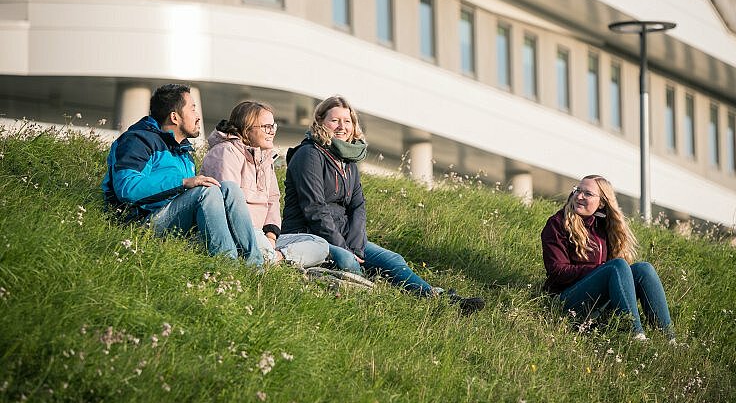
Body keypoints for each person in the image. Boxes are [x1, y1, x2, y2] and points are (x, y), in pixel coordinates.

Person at [281, 95, 485, 314]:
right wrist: (344, 247)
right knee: (349, 261)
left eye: (347, 121)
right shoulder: (309, 154)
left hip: (344, 235)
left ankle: (442, 300)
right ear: (320, 121)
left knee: (392, 259)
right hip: (310, 233)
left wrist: (356, 245)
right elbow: (315, 208)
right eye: (335, 120)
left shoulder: (348, 161)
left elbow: (358, 206)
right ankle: (361, 307)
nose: (342, 126)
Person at [102, 84, 263, 266]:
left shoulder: (183, 151)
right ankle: (228, 266)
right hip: (139, 225)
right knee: (205, 192)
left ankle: (255, 266)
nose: (198, 116)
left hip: (172, 219)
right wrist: (183, 182)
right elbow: (128, 188)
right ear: (174, 117)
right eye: (193, 109)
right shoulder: (138, 141)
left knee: (229, 188)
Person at [540, 175, 674, 340]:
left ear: (602, 203)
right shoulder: (558, 223)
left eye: (587, 194)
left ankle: (669, 339)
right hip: (566, 301)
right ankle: (636, 335)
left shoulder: (602, 227)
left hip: (597, 303)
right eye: (578, 190)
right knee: (616, 266)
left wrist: (606, 271)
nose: (579, 196)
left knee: (643, 269)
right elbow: (557, 271)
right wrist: (599, 271)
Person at [200, 101, 329, 266]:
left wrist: (270, 236)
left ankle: (275, 258)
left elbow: (273, 200)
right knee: (262, 243)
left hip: (263, 234)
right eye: (266, 127)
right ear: (247, 129)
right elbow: (228, 202)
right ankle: (271, 260)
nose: (272, 132)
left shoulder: (265, 158)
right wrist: (260, 238)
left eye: (273, 126)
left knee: (320, 244)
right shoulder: (226, 151)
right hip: (241, 231)